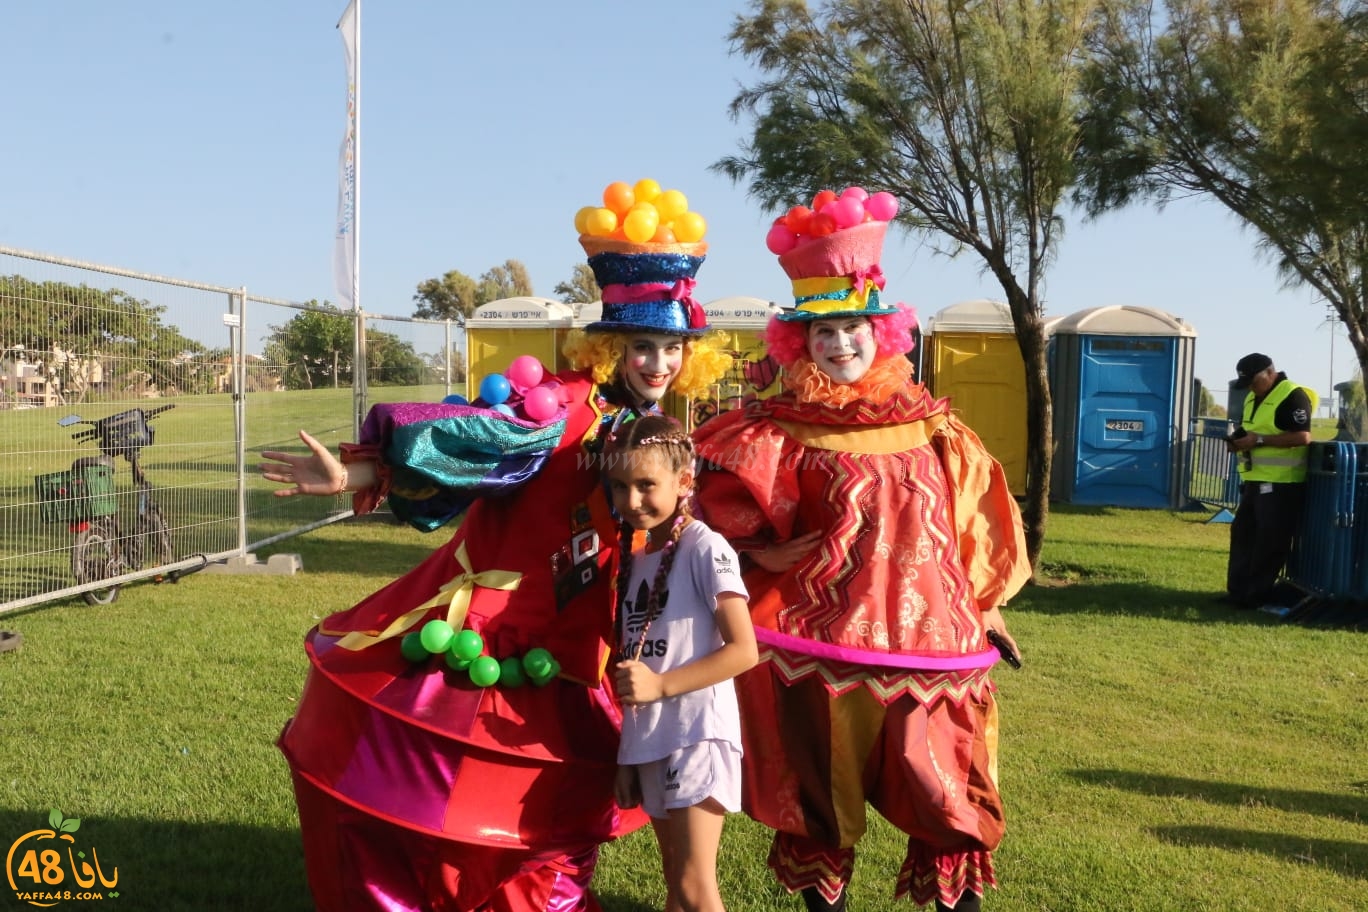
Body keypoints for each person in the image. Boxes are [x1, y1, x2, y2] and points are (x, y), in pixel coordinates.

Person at [259, 187, 732, 912]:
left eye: (673, 348)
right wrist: (356, 473)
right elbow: (462, 440)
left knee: (548, 830)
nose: (660, 362)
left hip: (577, 654)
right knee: (444, 816)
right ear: (611, 345)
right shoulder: (562, 406)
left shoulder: (655, 428)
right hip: (490, 634)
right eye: (643, 345)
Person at [690, 193, 1032, 912]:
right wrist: (759, 560)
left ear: (881, 332)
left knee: (948, 801)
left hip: (934, 648)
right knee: (823, 807)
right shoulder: (777, 428)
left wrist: (991, 605)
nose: (840, 345)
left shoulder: (934, 428)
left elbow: (974, 521)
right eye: (822, 334)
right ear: (799, 344)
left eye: (852, 328)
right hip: (822, 650)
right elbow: (715, 511)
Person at [603, 415, 757, 912]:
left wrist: (662, 686)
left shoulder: (705, 547)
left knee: (695, 888)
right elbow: (636, 667)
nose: (632, 501)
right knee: (676, 886)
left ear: (684, 481)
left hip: (697, 735)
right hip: (654, 740)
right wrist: (631, 753)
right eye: (621, 486)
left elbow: (743, 650)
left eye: (646, 485)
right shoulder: (635, 558)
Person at [1224, 352, 1316, 610]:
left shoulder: (1293, 395)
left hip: (1281, 484)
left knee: (1269, 540)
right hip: (1256, 480)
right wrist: (1238, 442)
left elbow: (1302, 437)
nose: (1250, 387)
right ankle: (1238, 592)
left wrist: (1259, 441)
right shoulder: (1254, 395)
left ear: (1270, 373)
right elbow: (1252, 429)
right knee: (1243, 534)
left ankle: (1256, 595)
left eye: (1254, 381)